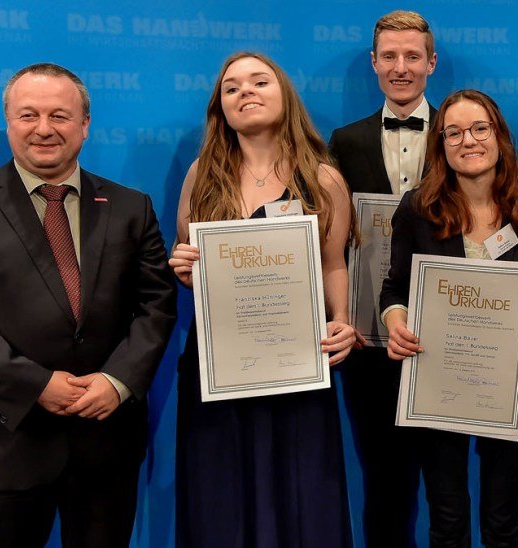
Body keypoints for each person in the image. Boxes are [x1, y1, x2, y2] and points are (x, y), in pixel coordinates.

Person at [0, 63, 176, 547]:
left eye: (59, 115)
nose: (43, 129)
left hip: (105, 443)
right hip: (2, 444)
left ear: (84, 124)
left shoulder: (130, 207)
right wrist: (36, 385)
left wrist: (118, 381)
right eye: (27, 115)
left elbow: (156, 307)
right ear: (9, 123)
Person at [168, 52, 358, 547]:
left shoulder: (323, 179)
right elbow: (188, 261)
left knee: (301, 497)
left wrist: (341, 321)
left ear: (284, 94)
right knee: (221, 501)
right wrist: (185, 268)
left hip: (298, 364)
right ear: (221, 108)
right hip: (220, 369)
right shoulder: (200, 177)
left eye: (258, 81)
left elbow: (334, 263)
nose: (245, 92)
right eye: (231, 88)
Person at [381, 89, 518, 547]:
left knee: (503, 520)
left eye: (480, 128)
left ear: (499, 135)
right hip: (439, 379)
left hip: (511, 382)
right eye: (453, 132)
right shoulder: (417, 208)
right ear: (440, 145)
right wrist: (395, 325)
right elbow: (394, 289)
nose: (468, 140)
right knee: (447, 518)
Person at [326, 11, 436, 544]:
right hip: (370, 337)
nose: (400, 67)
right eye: (389, 56)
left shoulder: (463, 135)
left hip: (447, 336)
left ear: (431, 63)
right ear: (373, 64)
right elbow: (328, 240)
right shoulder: (342, 143)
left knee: (448, 483)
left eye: (412, 56)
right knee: (383, 481)